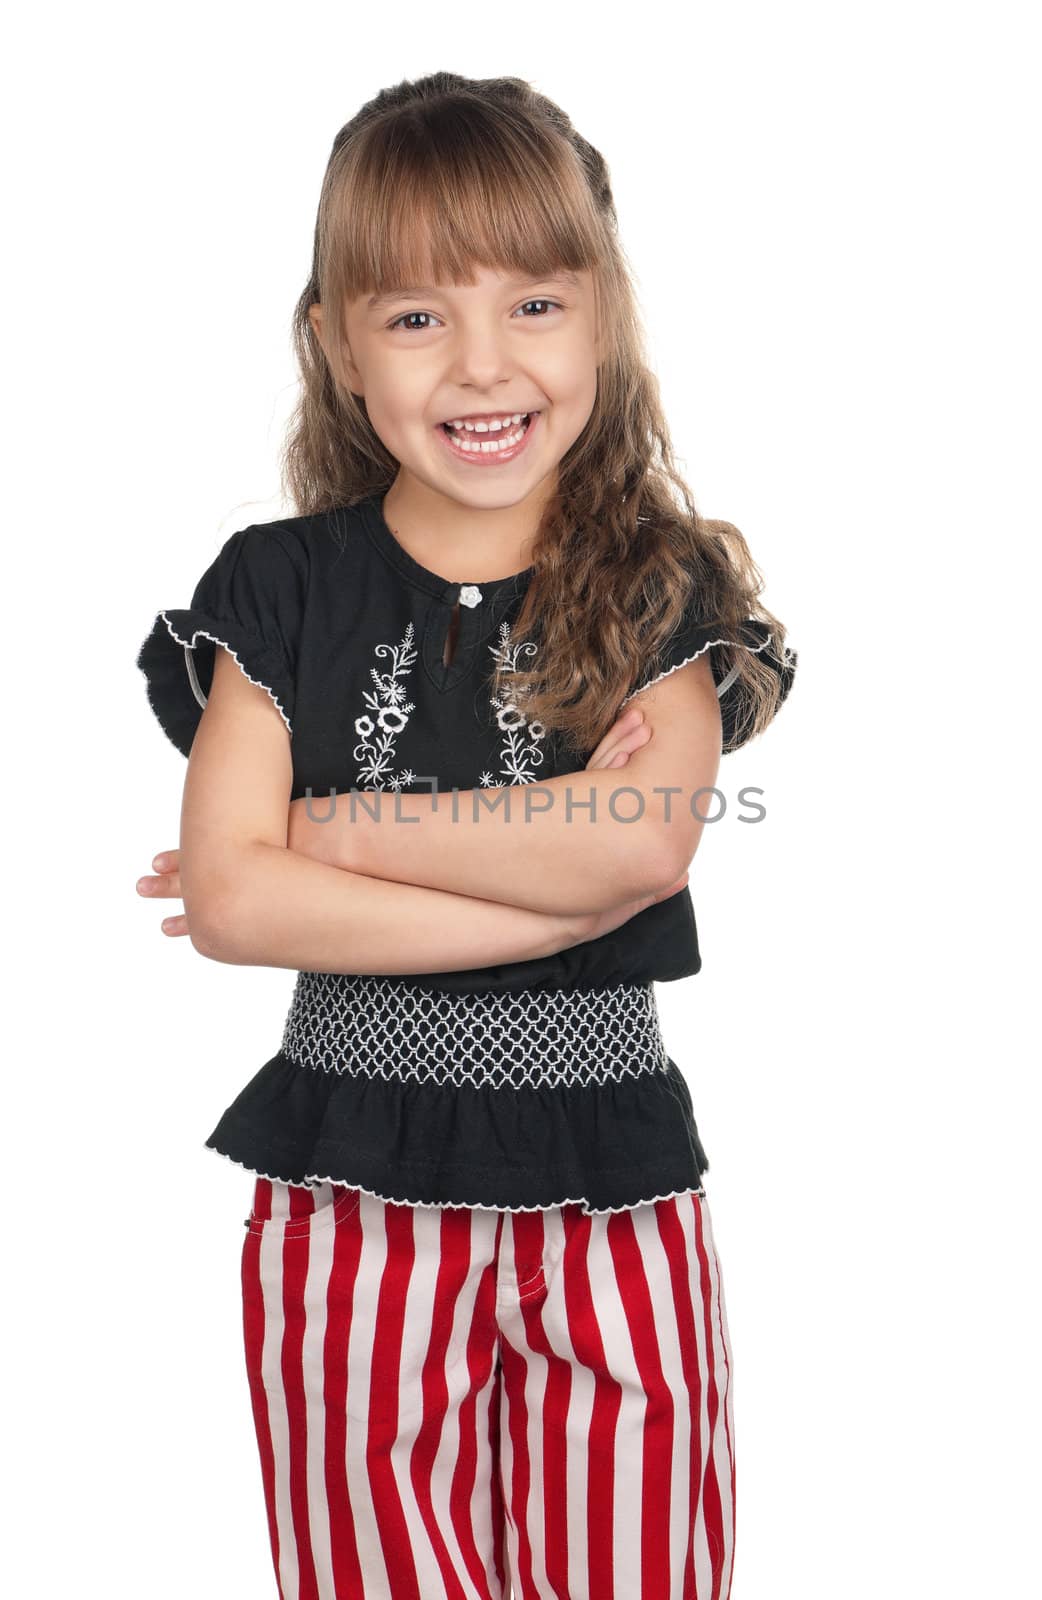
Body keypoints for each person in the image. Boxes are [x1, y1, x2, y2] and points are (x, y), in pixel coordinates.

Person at [135, 71, 796, 1600]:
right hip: (347, 1191)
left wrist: (342, 838)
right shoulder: (278, 588)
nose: (482, 362)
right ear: (338, 342)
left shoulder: (659, 584)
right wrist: (552, 886)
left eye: (536, 304)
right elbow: (234, 903)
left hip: (613, 1187)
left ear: (603, 318)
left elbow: (638, 848)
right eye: (419, 314)